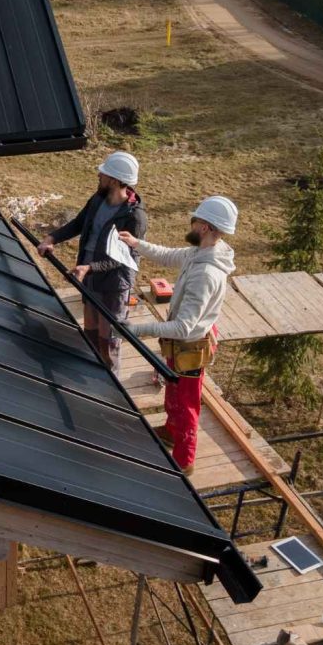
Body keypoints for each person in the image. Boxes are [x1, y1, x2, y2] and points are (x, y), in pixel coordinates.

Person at [117, 196, 238, 475]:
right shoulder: (202, 251)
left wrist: (138, 330)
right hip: (182, 345)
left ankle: (184, 461)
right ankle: (171, 433)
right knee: (174, 392)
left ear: (205, 227)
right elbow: (171, 255)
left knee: (186, 405)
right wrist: (137, 244)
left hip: (190, 346)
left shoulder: (206, 273)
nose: (191, 223)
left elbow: (184, 327)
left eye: (194, 220)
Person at [38, 152, 147, 375]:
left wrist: (90, 268)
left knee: (109, 341)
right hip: (89, 278)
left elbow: (122, 258)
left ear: (115, 181)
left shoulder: (134, 218)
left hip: (113, 285)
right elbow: (79, 223)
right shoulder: (98, 200)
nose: (99, 174)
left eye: (103, 173)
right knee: (90, 334)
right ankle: (93, 376)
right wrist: (52, 238)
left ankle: (113, 388)